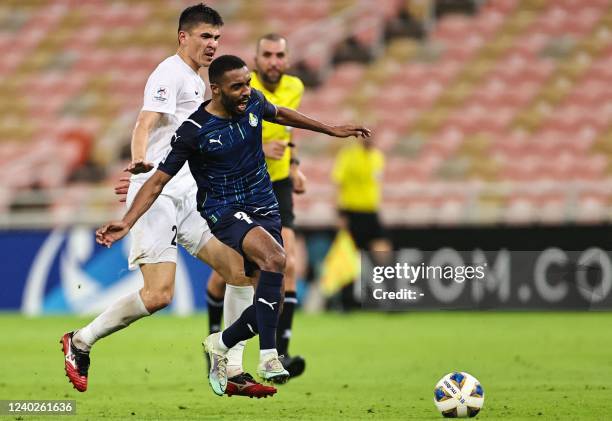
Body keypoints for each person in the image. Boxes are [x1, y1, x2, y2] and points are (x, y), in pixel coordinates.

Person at [95, 54, 371, 396]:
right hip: (223, 210)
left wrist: (331, 128)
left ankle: (221, 344)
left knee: (271, 297)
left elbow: (279, 112)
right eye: (237, 86)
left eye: (248, 84)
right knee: (277, 260)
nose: (245, 92)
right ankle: (269, 356)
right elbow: (157, 181)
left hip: (264, 205)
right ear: (216, 89)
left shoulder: (253, 102)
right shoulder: (194, 130)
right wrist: (126, 221)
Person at [61, 4, 275, 398]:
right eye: (205, 37)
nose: (213, 44)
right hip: (159, 199)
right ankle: (79, 341)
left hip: (191, 197)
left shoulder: (200, 82)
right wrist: (139, 163)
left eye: (217, 38)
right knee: (159, 295)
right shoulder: (168, 73)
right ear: (184, 36)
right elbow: (144, 123)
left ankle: (231, 368)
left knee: (241, 273)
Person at [205, 33, 307, 381]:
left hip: (275, 188)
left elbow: (288, 131)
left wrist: (294, 166)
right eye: (267, 55)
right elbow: (233, 138)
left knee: (284, 265)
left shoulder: (294, 87)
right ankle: (216, 344)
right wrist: (263, 150)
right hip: (238, 191)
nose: (274, 61)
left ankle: (278, 350)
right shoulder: (241, 90)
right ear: (257, 58)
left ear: (287, 58)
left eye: (280, 54)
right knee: (230, 276)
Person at [332, 138, 391, 309]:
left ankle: (386, 297)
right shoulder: (348, 155)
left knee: (382, 251)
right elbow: (338, 184)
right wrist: (340, 214)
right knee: (349, 256)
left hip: (371, 212)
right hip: (352, 212)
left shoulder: (378, 157)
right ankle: (346, 301)